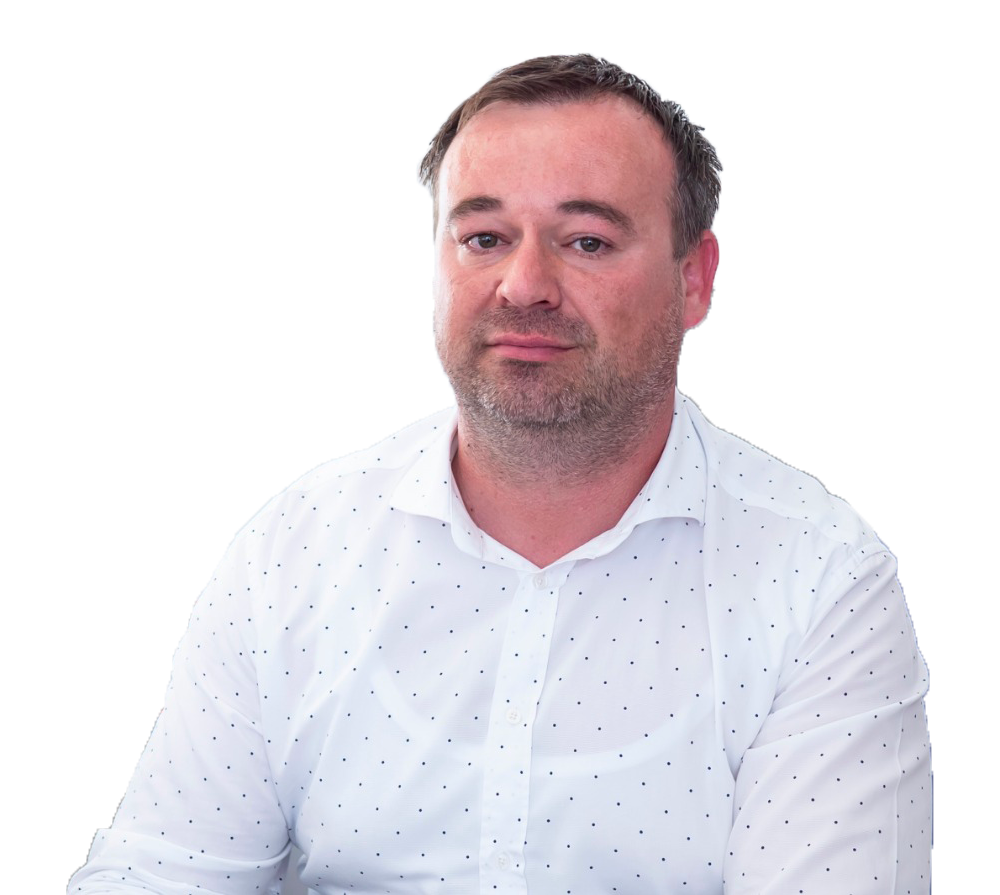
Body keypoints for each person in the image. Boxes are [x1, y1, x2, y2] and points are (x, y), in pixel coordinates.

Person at [70, 55, 932, 894]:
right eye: (483, 237)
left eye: (587, 240)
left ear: (693, 280)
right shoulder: (292, 553)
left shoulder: (821, 583)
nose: (523, 286)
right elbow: (159, 873)